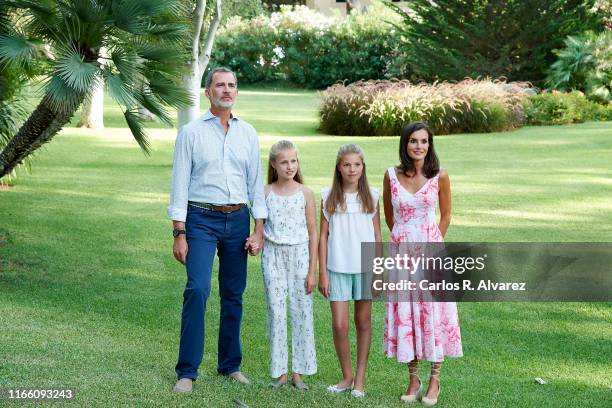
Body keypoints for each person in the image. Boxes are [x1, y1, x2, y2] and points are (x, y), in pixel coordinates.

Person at [167, 67, 267, 393]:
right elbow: (179, 183)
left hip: (238, 220)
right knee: (197, 288)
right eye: (220, 85)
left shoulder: (248, 133)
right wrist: (178, 232)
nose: (226, 90)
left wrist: (259, 229)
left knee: (233, 295)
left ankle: (229, 365)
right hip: (200, 219)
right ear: (208, 92)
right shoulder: (191, 132)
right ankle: (187, 371)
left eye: (232, 85)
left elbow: (255, 184)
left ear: (236, 91)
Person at [382, 121, 463, 406]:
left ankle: (435, 380)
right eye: (414, 141)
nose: (419, 146)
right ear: (405, 144)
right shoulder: (391, 175)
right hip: (402, 251)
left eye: (424, 141)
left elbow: (447, 214)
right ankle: (413, 378)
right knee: (408, 312)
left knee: (434, 311)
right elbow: (390, 216)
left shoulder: (440, 175)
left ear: (430, 144)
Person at [318, 144, 382, 399]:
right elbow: (322, 238)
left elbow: (377, 236)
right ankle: (346, 376)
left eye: (356, 164)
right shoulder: (328, 196)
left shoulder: (372, 196)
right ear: (339, 167)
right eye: (347, 164)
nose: (352, 169)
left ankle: (360, 379)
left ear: (363, 167)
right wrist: (322, 272)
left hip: (365, 267)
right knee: (340, 324)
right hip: (337, 267)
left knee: (363, 322)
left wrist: (379, 271)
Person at [262, 140, 318, 390]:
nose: (290, 166)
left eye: (293, 161)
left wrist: (312, 270)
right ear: (274, 163)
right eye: (284, 161)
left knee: (301, 312)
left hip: (300, 256)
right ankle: (280, 372)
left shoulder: (305, 193)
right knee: (276, 311)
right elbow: (259, 228)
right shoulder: (266, 192)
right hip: (273, 256)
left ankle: (299, 372)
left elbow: (314, 233)